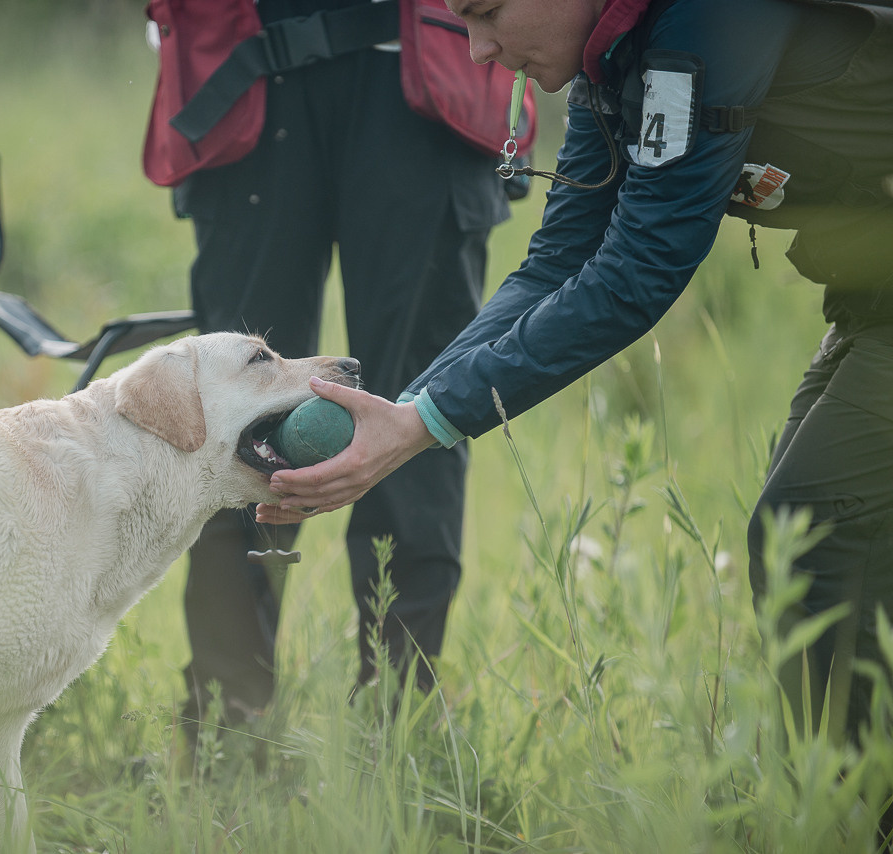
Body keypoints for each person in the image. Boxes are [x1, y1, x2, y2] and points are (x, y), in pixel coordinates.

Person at [259, 0, 893, 764]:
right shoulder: (615, 50)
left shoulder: (707, 15)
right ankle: (838, 808)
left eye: (486, 12)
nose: (479, 50)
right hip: (873, 300)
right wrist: (401, 414)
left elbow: (638, 269)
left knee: (817, 533)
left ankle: (853, 818)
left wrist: (426, 423)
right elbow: (560, 260)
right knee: (806, 546)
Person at [146, 0, 516, 732]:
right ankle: (226, 731)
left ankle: (399, 728)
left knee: (422, 407)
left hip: (421, 69)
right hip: (246, 70)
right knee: (232, 418)